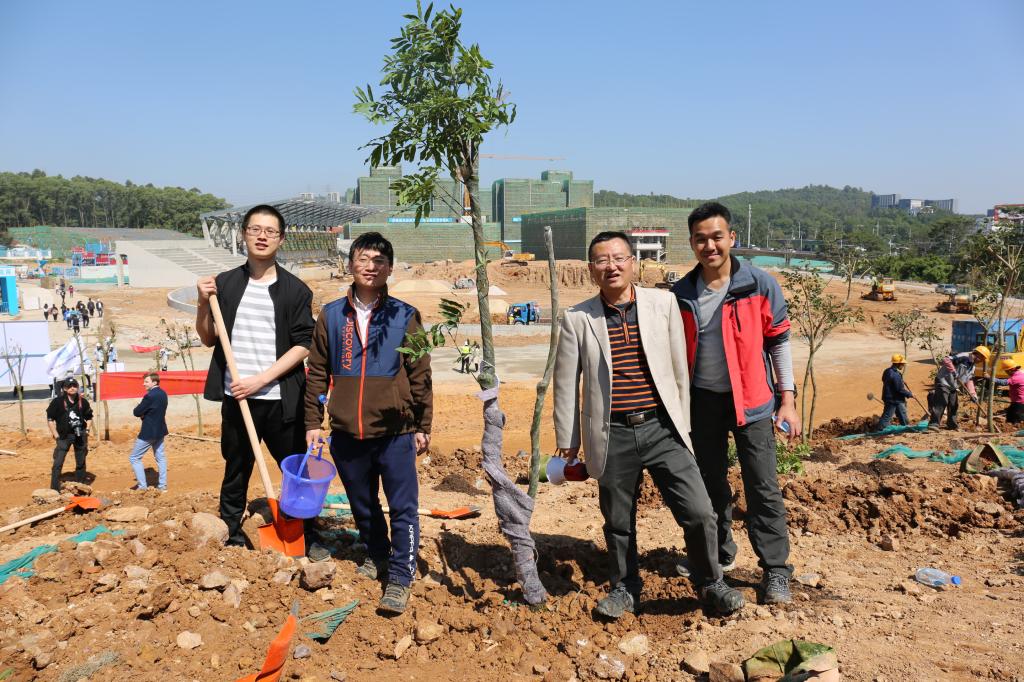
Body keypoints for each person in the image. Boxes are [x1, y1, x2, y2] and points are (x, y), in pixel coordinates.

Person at [553, 230, 744, 619]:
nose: (611, 266)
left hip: (663, 429)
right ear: (591, 269)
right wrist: (568, 439)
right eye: (602, 260)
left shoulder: (663, 303)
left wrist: (684, 425)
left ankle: (711, 583)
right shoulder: (577, 318)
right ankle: (625, 589)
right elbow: (566, 382)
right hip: (611, 433)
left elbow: (679, 369)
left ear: (633, 263)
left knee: (699, 512)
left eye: (618, 258)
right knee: (618, 521)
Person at [671, 202, 801, 605]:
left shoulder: (758, 285)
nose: (709, 246)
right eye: (700, 239)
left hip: (755, 404)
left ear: (731, 237)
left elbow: (779, 342)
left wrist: (787, 400)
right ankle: (719, 554)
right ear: (691, 243)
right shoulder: (681, 293)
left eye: (716, 237)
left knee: (762, 487)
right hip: (703, 405)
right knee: (709, 486)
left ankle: (775, 569)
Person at [304, 231, 433, 616]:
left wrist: (423, 424)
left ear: (389, 268)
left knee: (403, 507)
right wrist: (313, 421)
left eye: (379, 261)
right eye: (363, 259)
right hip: (346, 432)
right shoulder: (331, 315)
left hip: (395, 431)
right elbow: (317, 372)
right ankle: (378, 553)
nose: (371, 267)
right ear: (350, 265)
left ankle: (400, 577)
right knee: (362, 504)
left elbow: (421, 373)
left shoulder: (405, 315)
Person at [194, 204, 317, 551]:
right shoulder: (226, 284)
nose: (262, 237)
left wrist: (261, 379)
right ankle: (232, 533)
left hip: (282, 400)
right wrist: (202, 303)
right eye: (255, 230)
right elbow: (208, 337)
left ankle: (306, 534)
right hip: (238, 397)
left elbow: (304, 344)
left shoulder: (295, 290)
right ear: (243, 234)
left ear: (281, 239)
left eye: (270, 231)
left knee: (296, 471)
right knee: (236, 468)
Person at [46, 378, 93, 490]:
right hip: (63, 437)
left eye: (74, 386)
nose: (72, 388)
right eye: (69, 386)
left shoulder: (83, 402)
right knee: (58, 463)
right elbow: (50, 419)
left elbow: (89, 417)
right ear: (65, 388)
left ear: (78, 387)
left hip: (80, 435)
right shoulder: (57, 402)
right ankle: (54, 488)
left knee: (81, 462)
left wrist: (86, 431)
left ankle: (81, 487)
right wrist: (56, 436)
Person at [928, 346, 986, 431]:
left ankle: (952, 425)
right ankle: (934, 424)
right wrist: (953, 371)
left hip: (953, 385)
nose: (982, 361)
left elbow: (969, 380)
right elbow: (946, 359)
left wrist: (973, 394)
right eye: (982, 358)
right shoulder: (964, 356)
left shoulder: (972, 367)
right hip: (943, 381)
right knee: (942, 401)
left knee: (953, 405)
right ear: (978, 355)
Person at [128, 373, 168, 491]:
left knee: (134, 458)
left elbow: (136, 412)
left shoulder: (149, 396)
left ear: (154, 382)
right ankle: (162, 486)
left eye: (146, 381)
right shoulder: (163, 393)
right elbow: (155, 411)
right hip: (160, 430)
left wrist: (140, 407)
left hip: (148, 432)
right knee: (160, 458)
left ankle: (142, 487)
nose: (143, 384)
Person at [878, 354, 914, 428]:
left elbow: (884, 380)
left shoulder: (887, 371)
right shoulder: (895, 375)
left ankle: (907, 428)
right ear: (898, 363)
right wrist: (910, 394)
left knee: (903, 414)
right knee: (887, 416)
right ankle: (880, 430)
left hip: (894, 399)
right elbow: (899, 389)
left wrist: (900, 381)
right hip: (893, 399)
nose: (903, 365)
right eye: (902, 364)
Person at [992, 358, 1024, 424]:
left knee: (1016, 417)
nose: (1006, 372)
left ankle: (1017, 427)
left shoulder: (1016, 377)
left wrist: (990, 378)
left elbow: (1003, 382)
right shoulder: (1020, 374)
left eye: (1006, 371)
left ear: (1010, 370)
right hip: (1017, 400)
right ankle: (1011, 425)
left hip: (1020, 401)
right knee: (1010, 415)